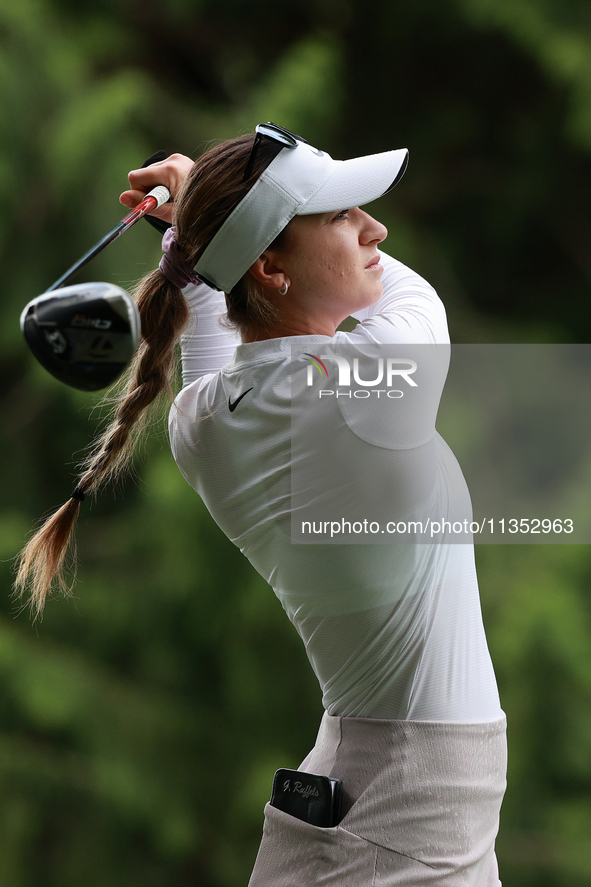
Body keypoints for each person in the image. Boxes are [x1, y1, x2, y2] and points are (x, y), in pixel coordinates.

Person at [16, 124, 506, 885]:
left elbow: (223, 317)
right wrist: (198, 226)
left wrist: (212, 231)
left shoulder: (205, 418)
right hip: (405, 808)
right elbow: (412, 297)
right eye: (343, 216)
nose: (376, 229)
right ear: (271, 266)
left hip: (384, 796)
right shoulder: (364, 393)